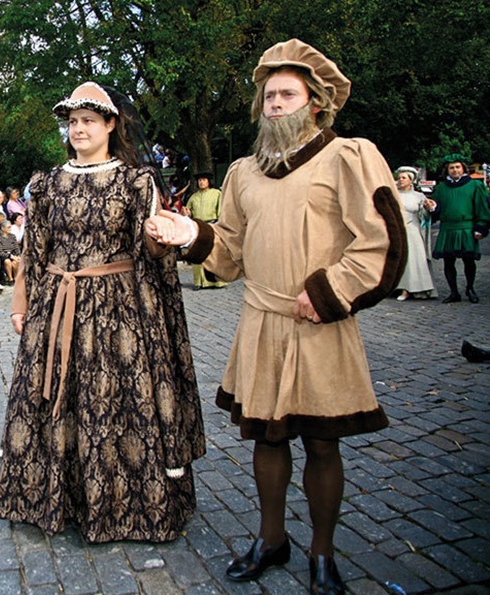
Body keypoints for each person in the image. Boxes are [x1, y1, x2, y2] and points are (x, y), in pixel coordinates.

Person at [150, 40, 406, 594]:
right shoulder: (244, 172)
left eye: (288, 95)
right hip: (262, 321)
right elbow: (230, 253)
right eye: (269, 96)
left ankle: (322, 552)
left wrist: (330, 291)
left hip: (320, 322)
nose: (275, 105)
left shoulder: (349, 156)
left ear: (316, 103)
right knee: (267, 440)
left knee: (321, 442)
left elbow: (381, 241)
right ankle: (271, 539)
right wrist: (189, 233)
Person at [0, 81, 205, 544]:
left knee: (116, 403)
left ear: (111, 124)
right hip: (56, 305)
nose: (78, 129)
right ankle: (62, 499)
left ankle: (120, 505)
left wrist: (159, 238)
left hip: (117, 311)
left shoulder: (136, 181)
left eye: (88, 120)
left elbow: (149, 251)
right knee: (57, 400)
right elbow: (34, 249)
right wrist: (21, 301)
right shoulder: (46, 183)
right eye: (73, 121)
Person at [425, 154, 490, 303]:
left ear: (463, 168)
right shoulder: (441, 188)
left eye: (457, 167)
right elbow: (436, 208)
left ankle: (470, 289)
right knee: (448, 262)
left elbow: (482, 207)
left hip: (466, 227)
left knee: (469, 261)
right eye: (451, 168)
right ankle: (454, 292)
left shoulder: (475, 185)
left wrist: (481, 227)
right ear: (447, 170)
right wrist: (432, 207)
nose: (454, 170)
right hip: (447, 228)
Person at [393, 167, 436, 300]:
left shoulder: (419, 196)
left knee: (412, 259)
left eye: (404, 178)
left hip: (412, 229)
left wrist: (428, 207)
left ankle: (408, 288)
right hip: (396, 229)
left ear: (411, 180)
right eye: (399, 178)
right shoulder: (393, 194)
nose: (400, 180)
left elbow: (424, 215)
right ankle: (395, 287)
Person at [184, 172, 227, 289]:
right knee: (198, 253)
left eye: (204, 180)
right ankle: (199, 282)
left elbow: (221, 211)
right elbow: (188, 212)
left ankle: (217, 281)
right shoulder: (194, 197)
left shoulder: (217, 194)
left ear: (209, 181)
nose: (201, 182)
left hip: (212, 225)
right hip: (198, 227)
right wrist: (187, 213)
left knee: (214, 253)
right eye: (199, 180)